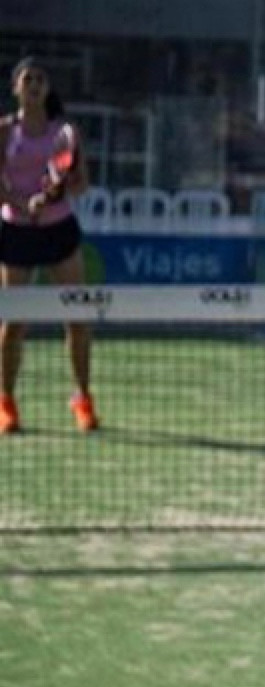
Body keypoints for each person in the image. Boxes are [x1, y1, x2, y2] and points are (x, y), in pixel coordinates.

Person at [0, 58, 95, 434]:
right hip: (16, 233)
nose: (35, 84)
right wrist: (23, 205)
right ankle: (6, 402)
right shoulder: (4, 132)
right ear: (16, 88)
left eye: (41, 79)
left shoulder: (64, 133)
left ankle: (83, 398)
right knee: (13, 324)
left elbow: (81, 182)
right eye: (28, 79)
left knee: (77, 318)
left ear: (48, 88)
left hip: (59, 231)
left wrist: (58, 192)